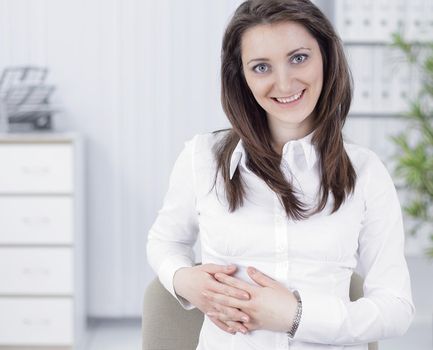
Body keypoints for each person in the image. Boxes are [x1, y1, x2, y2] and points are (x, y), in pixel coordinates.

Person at [147, 0, 416, 349]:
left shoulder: (365, 172)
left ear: (327, 57)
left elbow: (396, 308)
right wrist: (184, 280)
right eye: (261, 67)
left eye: (299, 58)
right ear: (240, 76)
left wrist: (297, 315)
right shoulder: (203, 158)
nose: (284, 83)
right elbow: (164, 240)